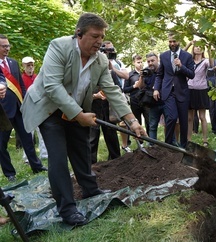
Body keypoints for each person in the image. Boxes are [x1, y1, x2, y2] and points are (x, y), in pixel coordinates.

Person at [20, 13, 147, 226]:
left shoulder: (101, 59)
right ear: (79, 34)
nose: (100, 42)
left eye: (102, 37)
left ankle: (90, 189)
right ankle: (67, 209)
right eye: (95, 36)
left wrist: (132, 121)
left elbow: (113, 91)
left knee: (82, 151)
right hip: (49, 109)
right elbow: (52, 86)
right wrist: (79, 116)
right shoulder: (59, 47)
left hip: (76, 109)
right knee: (59, 158)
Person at [0, 35, 47, 182]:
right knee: (1, 145)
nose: (7, 48)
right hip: (2, 112)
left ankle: (36, 166)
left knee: (28, 139)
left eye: (8, 46)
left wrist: (26, 102)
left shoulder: (13, 63)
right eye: (4, 46)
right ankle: (10, 173)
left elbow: (20, 86)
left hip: (19, 109)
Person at [153, 33, 195, 148]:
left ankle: (183, 146)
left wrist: (181, 66)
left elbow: (192, 75)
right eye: (170, 41)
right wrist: (156, 89)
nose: (172, 44)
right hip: (168, 92)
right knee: (171, 118)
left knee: (183, 121)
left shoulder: (187, 56)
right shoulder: (164, 56)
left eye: (174, 41)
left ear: (179, 41)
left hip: (182, 92)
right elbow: (159, 74)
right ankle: (168, 145)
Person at [21, 56, 48, 160]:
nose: (30, 67)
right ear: (23, 66)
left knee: (42, 132)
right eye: (28, 65)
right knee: (28, 133)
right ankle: (27, 157)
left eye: (32, 65)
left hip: (39, 107)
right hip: (28, 109)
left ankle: (44, 154)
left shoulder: (37, 77)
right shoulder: (21, 78)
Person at [185, 42, 211, 147]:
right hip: (190, 89)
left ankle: (205, 140)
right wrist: (189, 44)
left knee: (202, 117)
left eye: (201, 47)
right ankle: (188, 140)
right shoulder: (189, 61)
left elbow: (212, 65)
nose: (198, 48)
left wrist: (209, 49)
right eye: (196, 46)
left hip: (201, 90)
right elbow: (179, 55)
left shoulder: (205, 61)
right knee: (190, 118)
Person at [137, 52, 166, 142]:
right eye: (148, 61)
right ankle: (152, 145)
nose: (150, 63)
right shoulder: (147, 72)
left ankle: (171, 145)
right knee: (152, 126)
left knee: (169, 124)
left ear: (157, 60)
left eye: (152, 61)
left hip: (165, 101)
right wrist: (141, 77)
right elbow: (140, 87)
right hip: (153, 103)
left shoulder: (164, 70)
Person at [123, 54, 150, 133]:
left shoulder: (147, 72)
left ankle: (150, 141)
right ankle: (140, 143)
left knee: (149, 121)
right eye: (138, 62)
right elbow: (125, 89)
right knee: (137, 122)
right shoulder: (130, 75)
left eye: (141, 62)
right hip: (135, 101)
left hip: (146, 100)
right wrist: (134, 86)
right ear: (134, 63)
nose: (140, 64)